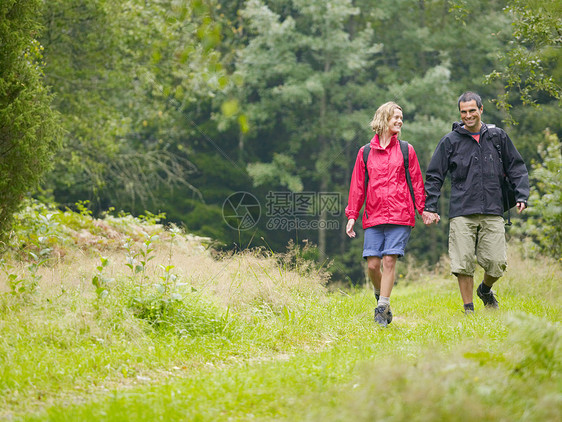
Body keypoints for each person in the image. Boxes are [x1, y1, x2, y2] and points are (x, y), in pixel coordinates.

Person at [423, 92, 529, 313]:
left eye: (472, 111)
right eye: (464, 112)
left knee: (497, 263)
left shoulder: (498, 137)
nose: (468, 115)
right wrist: (430, 207)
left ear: (481, 110)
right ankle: (468, 309)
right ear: (459, 113)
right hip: (462, 210)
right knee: (463, 263)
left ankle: (485, 289)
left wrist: (522, 195)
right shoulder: (450, 141)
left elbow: (516, 167)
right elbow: (434, 176)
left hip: (493, 208)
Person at [345, 102, 426, 327]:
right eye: (395, 117)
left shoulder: (406, 150)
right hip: (374, 216)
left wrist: (424, 209)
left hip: (401, 215)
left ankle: (382, 307)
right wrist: (352, 215)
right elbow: (357, 186)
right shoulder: (366, 152)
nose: (400, 121)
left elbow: (418, 182)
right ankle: (381, 296)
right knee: (373, 264)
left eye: (401, 118)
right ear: (383, 119)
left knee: (389, 259)